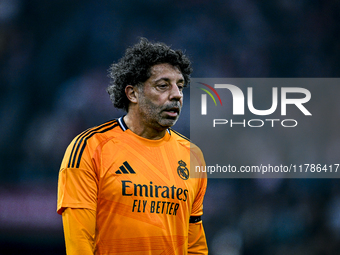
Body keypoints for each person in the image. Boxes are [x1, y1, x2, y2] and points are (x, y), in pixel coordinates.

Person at [57, 38, 208, 254]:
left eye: (180, 86)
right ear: (132, 93)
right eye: (163, 85)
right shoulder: (89, 148)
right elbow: (79, 245)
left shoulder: (192, 155)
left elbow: (195, 246)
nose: (176, 95)